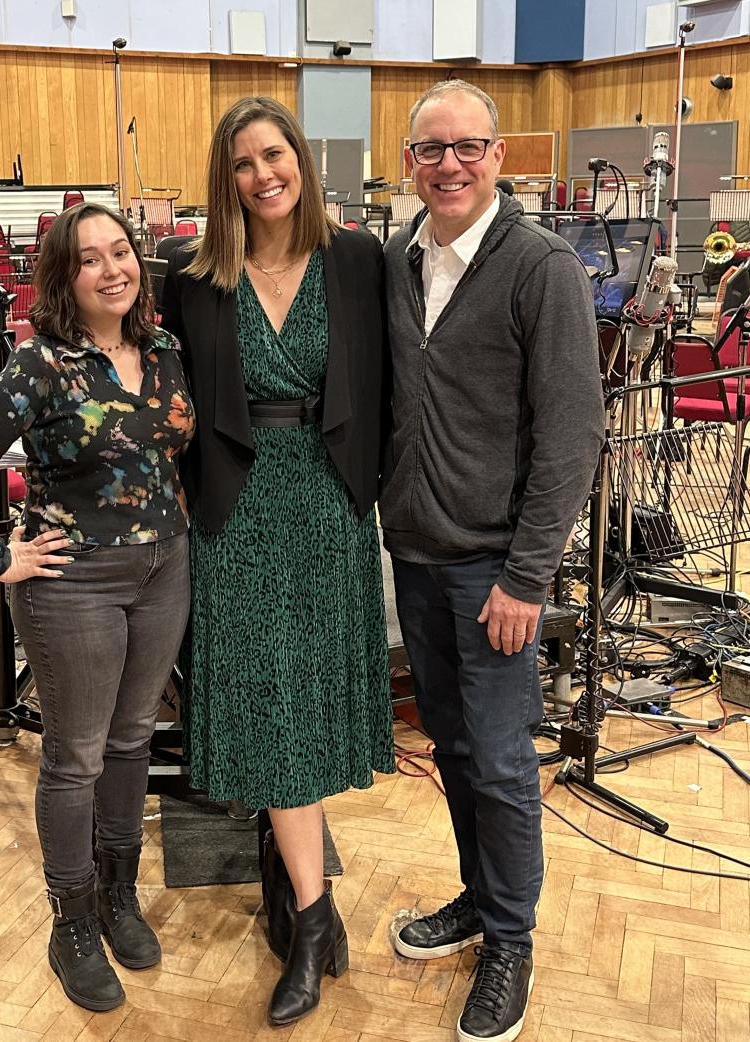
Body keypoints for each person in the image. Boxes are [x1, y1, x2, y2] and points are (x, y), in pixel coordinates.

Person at [0, 203, 195, 1013]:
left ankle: (118, 894)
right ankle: (71, 919)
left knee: (131, 740)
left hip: (164, 570)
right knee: (75, 756)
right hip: (73, 584)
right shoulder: (41, 364)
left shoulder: (165, 349)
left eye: (122, 253)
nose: (112, 269)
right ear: (63, 278)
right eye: (89, 259)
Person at [160, 96, 395, 1026]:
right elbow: (162, 391)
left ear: (301, 159)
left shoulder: (361, 263)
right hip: (238, 509)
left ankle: (307, 911)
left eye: (275, 154)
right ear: (227, 182)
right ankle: (312, 916)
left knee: (304, 711)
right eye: (244, 164)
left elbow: (396, 382)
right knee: (271, 712)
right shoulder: (194, 277)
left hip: (330, 502)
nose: (264, 175)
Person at [381, 80, 604, 1042]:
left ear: (499, 156)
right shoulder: (398, 260)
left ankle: (511, 940)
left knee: (507, 764)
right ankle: (480, 898)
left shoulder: (541, 266)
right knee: (455, 750)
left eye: (467, 146)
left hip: (494, 572)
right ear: (408, 164)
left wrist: (528, 578)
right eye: (431, 150)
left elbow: (572, 434)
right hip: (418, 554)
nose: (450, 165)